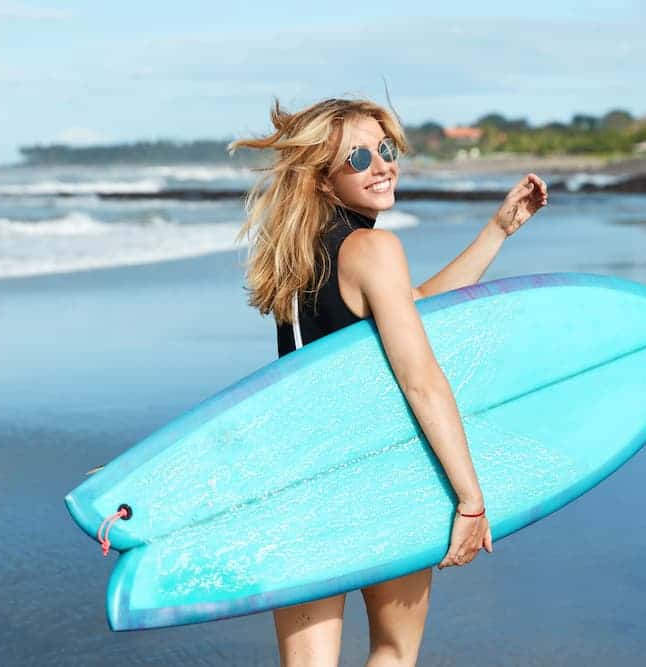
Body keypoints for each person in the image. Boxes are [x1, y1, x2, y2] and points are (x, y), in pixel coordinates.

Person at [229, 97, 547, 667]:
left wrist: (498, 231)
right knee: (393, 652)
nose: (381, 164)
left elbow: (411, 305)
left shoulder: (296, 259)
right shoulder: (374, 249)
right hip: (376, 479)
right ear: (323, 178)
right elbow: (420, 379)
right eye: (357, 156)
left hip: (300, 486)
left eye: (386, 149)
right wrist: (470, 500)